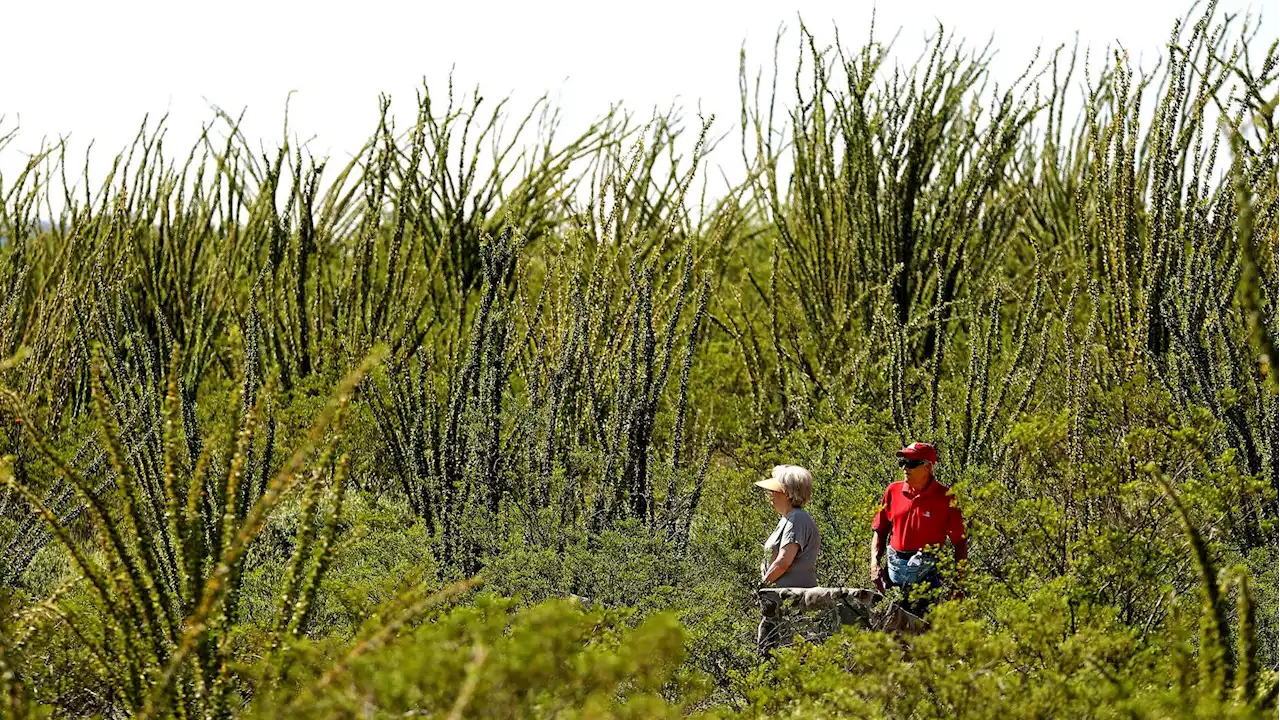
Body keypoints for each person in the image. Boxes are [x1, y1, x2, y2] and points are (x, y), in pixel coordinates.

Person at [869, 442, 966, 616]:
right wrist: (875, 563)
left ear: (928, 467)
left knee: (925, 632)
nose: (905, 468)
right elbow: (880, 530)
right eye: (903, 463)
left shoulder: (946, 498)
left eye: (912, 463)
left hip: (929, 578)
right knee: (891, 629)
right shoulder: (892, 491)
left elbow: (959, 542)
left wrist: (958, 583)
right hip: (895, 574)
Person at [755, 465, 821, 655]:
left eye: (775, 490)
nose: (770, 495)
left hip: (792, 602)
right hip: (780, 603)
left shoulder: (797, 519)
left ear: (788, 493)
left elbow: (783, 561)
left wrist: (762, 586)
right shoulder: (789, 518)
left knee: (788, 655)